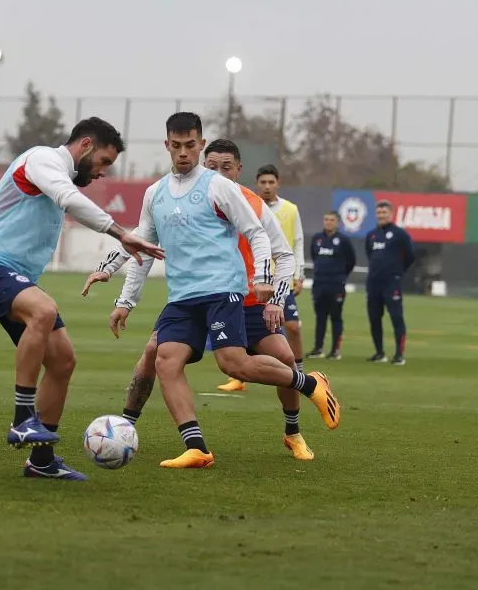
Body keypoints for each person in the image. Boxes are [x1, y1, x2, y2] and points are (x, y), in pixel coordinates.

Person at [0, 117, 162, 481]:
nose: (102, 174)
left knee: (63, 361)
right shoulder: (42, 160)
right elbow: (67, 199)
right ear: (85, 145)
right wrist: (120, 233)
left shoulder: (58, 176)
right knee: (44, 310)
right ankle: (22, 420)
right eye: (103, 163)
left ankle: (42, 461)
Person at [102, 112, 340, 469]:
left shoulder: (232, 194)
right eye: (178, 146)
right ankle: (187, 443)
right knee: (161, 356)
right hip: (185, 296)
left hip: (234, 295)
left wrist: (271, 292)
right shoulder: (158, 194)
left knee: (250, 363)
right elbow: (142, 245)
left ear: (236, 168)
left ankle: (298, 415)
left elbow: (272, 245)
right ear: (167, 146)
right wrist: (122, 295)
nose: (186, 154)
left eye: (223, 165)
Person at [216, 164, 307, 389]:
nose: (267, 187)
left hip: (278, 278)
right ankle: (241, 377)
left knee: (291, 327)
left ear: (278, 183)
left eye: (271, 182)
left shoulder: (289, 209)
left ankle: (298, 373)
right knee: (240, 341)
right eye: (263, 182)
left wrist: (299, 273)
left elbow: (296, 243)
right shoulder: (235, 203)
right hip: (242, 284)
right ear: (257, 183)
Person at [364, 199, 415, 365]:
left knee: (396, 318)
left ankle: (399, 355)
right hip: (374, 283)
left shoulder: (400, 234)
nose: (381, 215)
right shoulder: (371, 235)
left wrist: (397, 272)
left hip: (391, 283)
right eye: (379, 213)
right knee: (374, 318)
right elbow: (370, 255)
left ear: (391, 214)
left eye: (384, 212)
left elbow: (409, 256)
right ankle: (380, 353)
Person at [307, 211, 356, 359]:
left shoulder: (343, 240)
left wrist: (340, 275)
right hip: (319, 285)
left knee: (336, 316)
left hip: (336, 286)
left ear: (337, 222)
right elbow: (315, 257)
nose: (328, 222)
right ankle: (318, 348)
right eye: (326, 219)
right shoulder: (317, 239)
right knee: (320, 317)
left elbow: (351, 261)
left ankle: (335, 350)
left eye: (332, 220)